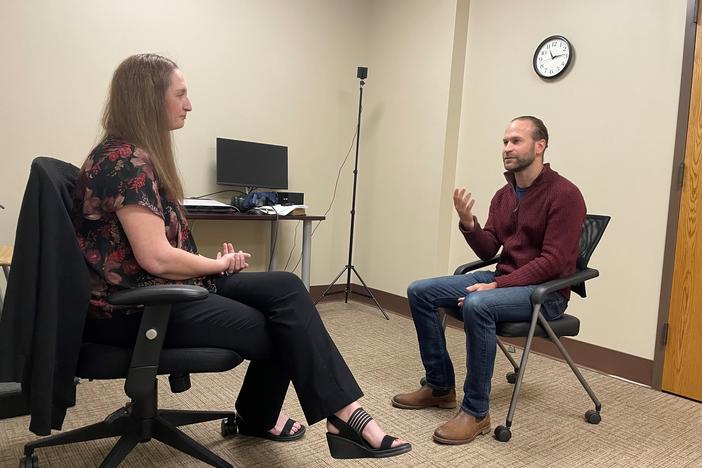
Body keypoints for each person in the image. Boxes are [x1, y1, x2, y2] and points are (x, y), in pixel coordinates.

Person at [73, 53, 411, 460]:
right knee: (284, 328)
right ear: (149, 99)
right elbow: (157, 259)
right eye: (180, 94)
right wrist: (214, 266)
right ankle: (314, 416)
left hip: (159, 289)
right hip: (133, 310)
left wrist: (210, 264)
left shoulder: (131, 155)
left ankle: (320, 413)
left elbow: (152, 252)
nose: (189, 104)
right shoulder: (123, 163)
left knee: (287, 288)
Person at [392, 116, 586, 445]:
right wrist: (469, 222)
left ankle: (476, 411)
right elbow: (489, 247)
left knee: (479, 305)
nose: (507, 148)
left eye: (516, 141)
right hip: (506, 279)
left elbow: (553, 262)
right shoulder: (505, 194)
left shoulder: (565, 195)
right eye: (505, 141)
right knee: (420, 292)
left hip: (546, 295)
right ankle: (439, 387)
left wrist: (497, 287)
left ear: (540, 146)